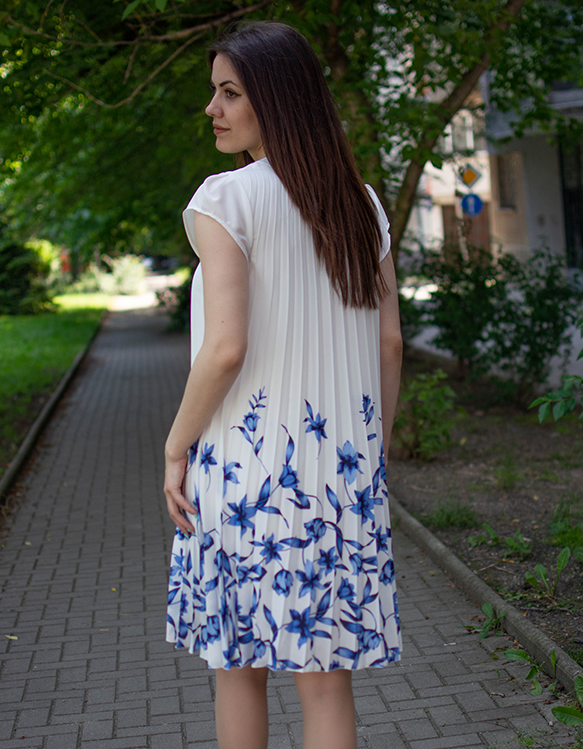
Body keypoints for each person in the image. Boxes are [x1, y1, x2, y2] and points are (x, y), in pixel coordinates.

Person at [164, 21, 403, 749]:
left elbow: (225, 348)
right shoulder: (361, 204)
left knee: (238, 671)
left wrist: (174, 447)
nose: (212, 109)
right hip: (342, 476)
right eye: (214, 92)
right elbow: (389, 343)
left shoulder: (225, 200)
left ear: (278, 98)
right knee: (327, 684)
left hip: (244, 477)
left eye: (230, 93)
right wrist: (370, 453)